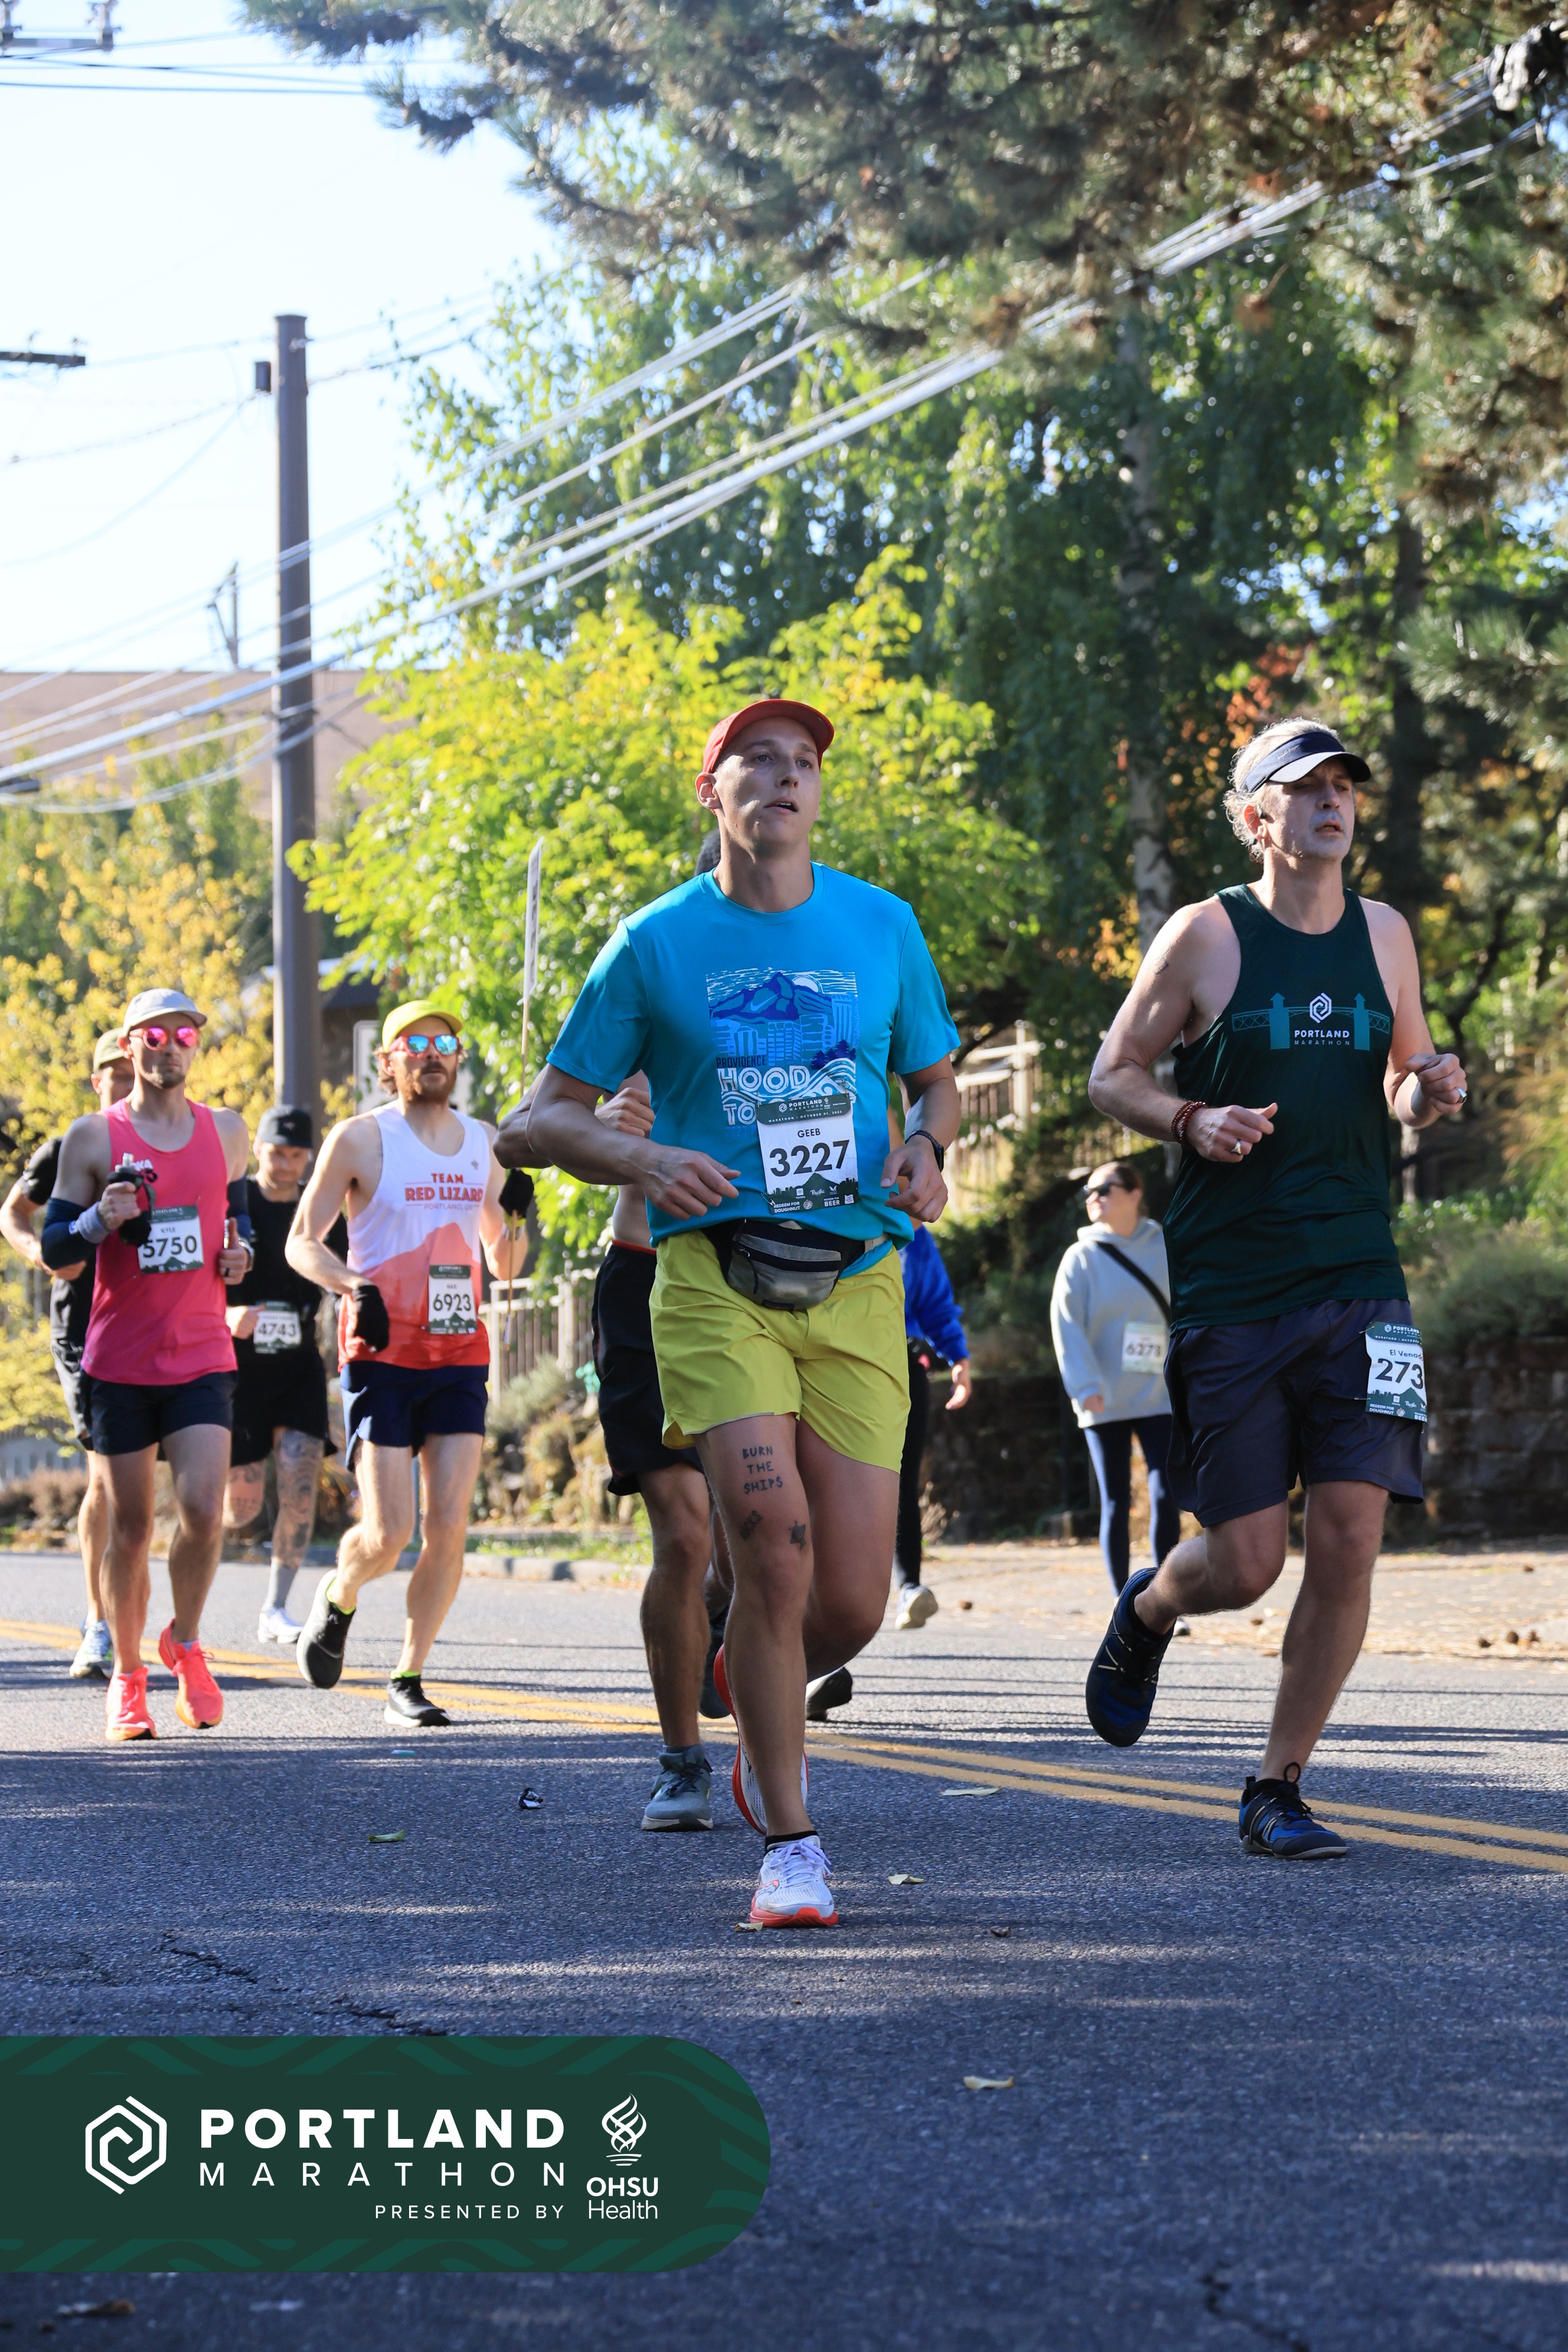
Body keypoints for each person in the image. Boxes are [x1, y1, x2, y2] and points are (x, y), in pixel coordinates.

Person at [518, 696, 960, 1928]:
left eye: (802, 761)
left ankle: (748, 1683)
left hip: (858, 1278)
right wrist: (644, 1160)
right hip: (715, 1278)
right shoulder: (654, 942)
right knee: (769, 1544)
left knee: (852, 1600)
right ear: (711, 792)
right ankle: (792, 1845)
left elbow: (935, 1080)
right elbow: (535, 1119)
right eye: (755, 760)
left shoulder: (881, 924)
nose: (783, 776)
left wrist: (927, 1143)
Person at [1083, 718, 1466, 1858]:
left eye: (1344, 784)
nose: (1332, 802)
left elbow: (1401, 1077)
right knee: (1246, 1561)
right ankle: (1152, 1605)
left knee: (1350, 1536)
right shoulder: (1204, 935)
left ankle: (1276, 1784)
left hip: (1362, 1276)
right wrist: (1191, 1118)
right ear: (1257, 816)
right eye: (1305, 788)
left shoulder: (1384, 932)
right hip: (1234, 1286)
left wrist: (1430, 1089)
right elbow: (1113, 1073)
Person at [286, 999, 529, 1728]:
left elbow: (506, 1264)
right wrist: (351, 1285)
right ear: (386, 1061)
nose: (431, 1053)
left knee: (448, 1526)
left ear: (459, 1060)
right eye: (414, 1043)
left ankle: (408, 1674)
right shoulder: (360, 1139)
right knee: (389, 1534)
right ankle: (339, 1594)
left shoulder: (484, 1143)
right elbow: (302, 1242)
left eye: (444, 1044)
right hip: (381, 1352)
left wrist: (517, 1213)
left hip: (458, 1351)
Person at [43, 989, 252, 1742]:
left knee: (203, 1510)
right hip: (121, 1360)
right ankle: (128, 1678)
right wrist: (99, 1218)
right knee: (130, 1531)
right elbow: (56, 1249)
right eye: (154, 1037)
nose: (170, 1047)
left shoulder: (226, 1131)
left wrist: (242, 1254)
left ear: (197, 1045)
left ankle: (184, 1643)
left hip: (200, 1352)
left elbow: (238, 1219)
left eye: (183, 1035)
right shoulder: (93, 1136)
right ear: (130, 1046)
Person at [0, 1031, 134, 1678]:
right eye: (114, 1073)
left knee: (136, 1478)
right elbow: (12, 1213)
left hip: (147, 1325)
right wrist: (42, 1257)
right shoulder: (67, 1148)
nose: (125, 1081)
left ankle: (130, 1615)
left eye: (132, 1070)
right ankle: (98, 1622)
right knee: (105, 1472)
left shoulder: (168, 1146)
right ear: (95, 1081)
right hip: (83, 1330)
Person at [223, 1106, 347, 1644]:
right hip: (238, 1367)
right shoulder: (236, 1205)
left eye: (297, 1155)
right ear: (258, 1151)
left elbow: (350, 1267)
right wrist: (226, 1314)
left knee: (299, 1485)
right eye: (277, 1153)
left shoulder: (318, 1211)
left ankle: (275, 1607)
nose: (286, 1164)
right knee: (240, 1507)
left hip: (298, 1363)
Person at [1049, 1159, 1180, 1597]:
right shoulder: (1081, 1258)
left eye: (1103, 1189)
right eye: (1088, 1191)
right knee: (1115, 1501)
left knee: (1165, 1494)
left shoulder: (1164, 1245)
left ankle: (1164, 1597)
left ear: (1134, 1194)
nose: (1093, 1198)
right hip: (1103, 1397)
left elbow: (1188, 1308)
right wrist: (1085, 1386)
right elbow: (1067, 1325)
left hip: (1159, 1393)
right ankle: (1123, 1605)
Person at [889, 1206, 972, 1634]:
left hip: (905, 1363)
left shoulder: (918, 1240)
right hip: (842, 1363)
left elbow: (936, 1303)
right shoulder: (848, 1219)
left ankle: (909, 1587)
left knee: (903, 1479)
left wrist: (958, 1358)